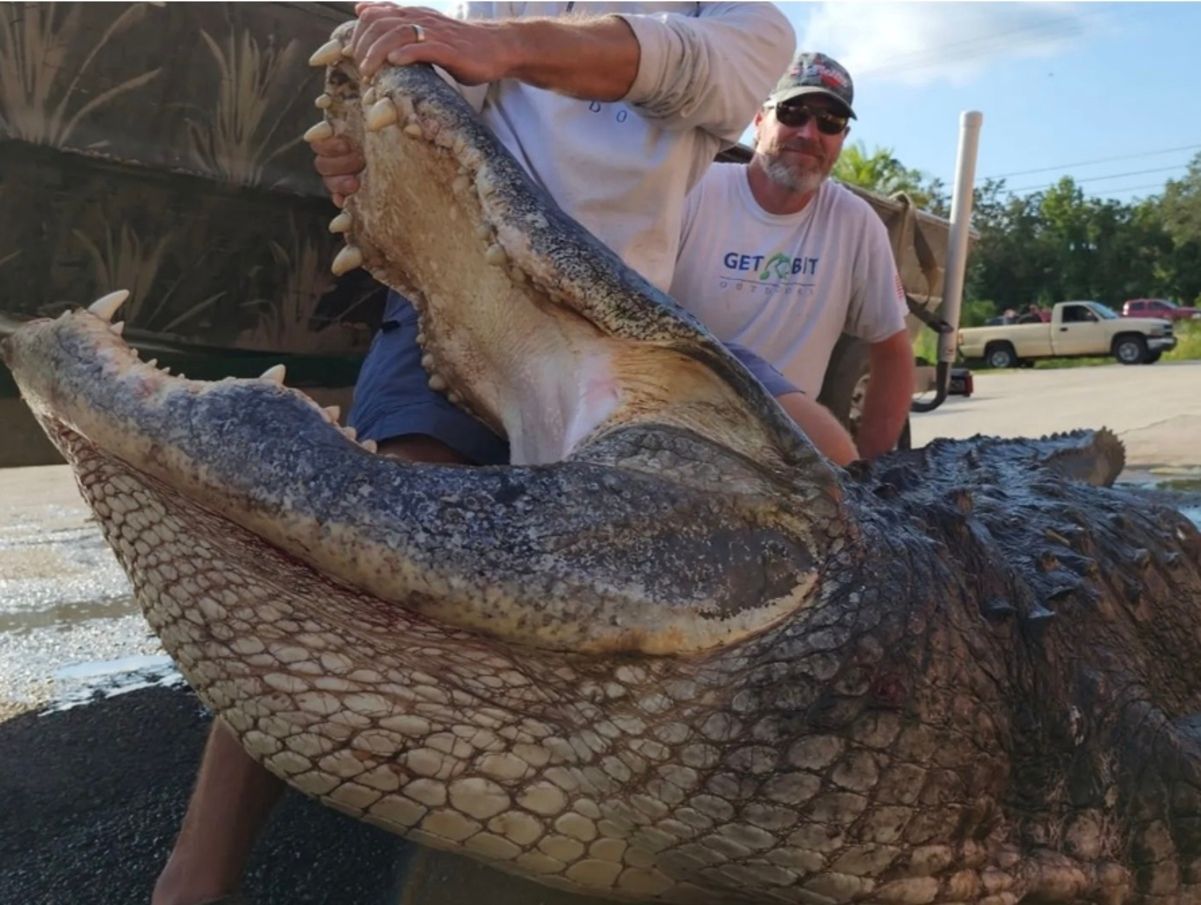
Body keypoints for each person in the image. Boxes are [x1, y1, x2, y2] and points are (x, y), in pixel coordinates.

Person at [152, 4, 796, 904]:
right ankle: (195, 875)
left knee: (674, 557)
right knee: (366, 525)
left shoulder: (748, 21)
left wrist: (500, 46)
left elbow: (699, 68)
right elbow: (427, 109)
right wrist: (364, 161)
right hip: (459, 284)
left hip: (612, 321)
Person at [668, 52, 915, 460]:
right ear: (759, 120)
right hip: (679, 431)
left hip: (788, 453)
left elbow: (892, 351)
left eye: (830, 122)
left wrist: (873, 477)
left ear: (842, 138)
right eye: (793, 112)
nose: (808, 133)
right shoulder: (692, 192)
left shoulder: (854, 223)